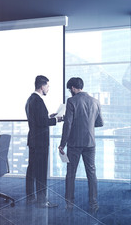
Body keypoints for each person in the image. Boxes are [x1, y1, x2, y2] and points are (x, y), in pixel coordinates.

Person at [58, 77, 103, 212]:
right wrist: (87, 123)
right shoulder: (95, 101)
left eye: (69, 89)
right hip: (90, 143)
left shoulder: (72, 101)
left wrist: (62, 144)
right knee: (92, 173)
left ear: (72, 88)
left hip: (74, 144)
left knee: (71, 173)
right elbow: (100, 123)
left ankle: (69, 203)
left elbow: (68, 125)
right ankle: (94, 204)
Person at [25, 75, 62, 208]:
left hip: (33, 140)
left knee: (32, 170)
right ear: (42, 86)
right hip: (40, 142)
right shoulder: (38, 101)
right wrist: (57, 119)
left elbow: (38, 119)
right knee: (41, 171)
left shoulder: (30, 99)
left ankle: (31, 198)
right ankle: (42, 201)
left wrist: (48, 116)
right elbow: (42, 122)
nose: (48, 88)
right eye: (47, 86)